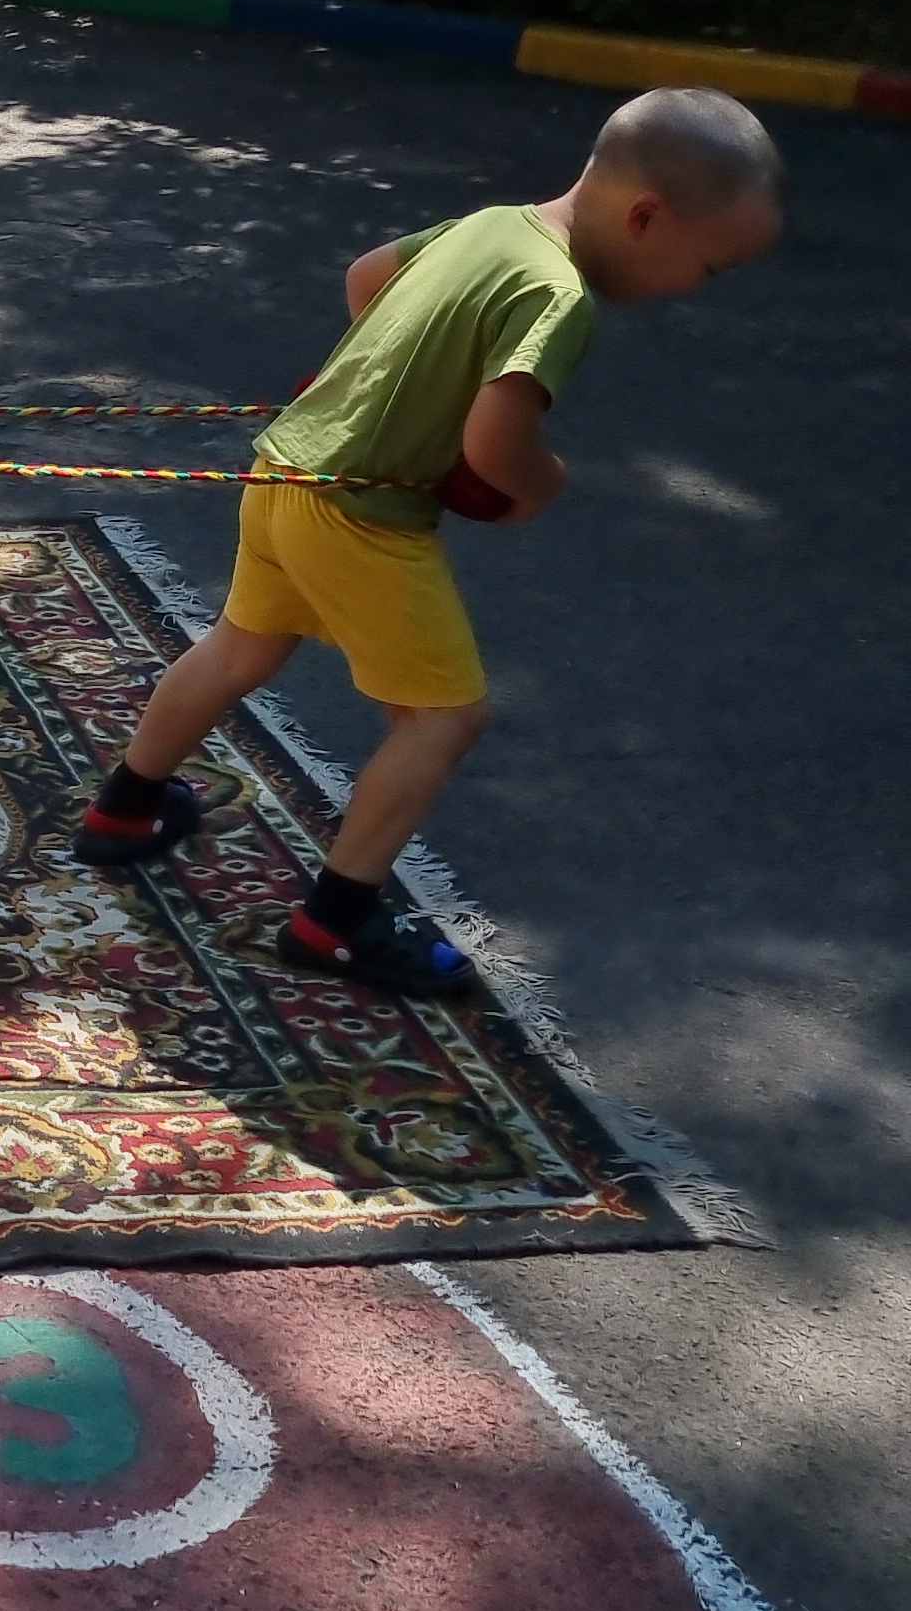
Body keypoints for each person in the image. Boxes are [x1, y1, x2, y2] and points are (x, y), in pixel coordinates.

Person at [73, 88, 786, 996]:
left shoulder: (493, 226)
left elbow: (367, 277)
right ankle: (336, 921)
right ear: (647, 217)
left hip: (285, 470)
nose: (701, 289)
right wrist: (540, 484)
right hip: (361, 517)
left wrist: (394, 384)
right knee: (445, 718)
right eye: (712, 268)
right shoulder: (559, 296)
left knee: (241, 647)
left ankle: (126, 810)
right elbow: (496, 444)